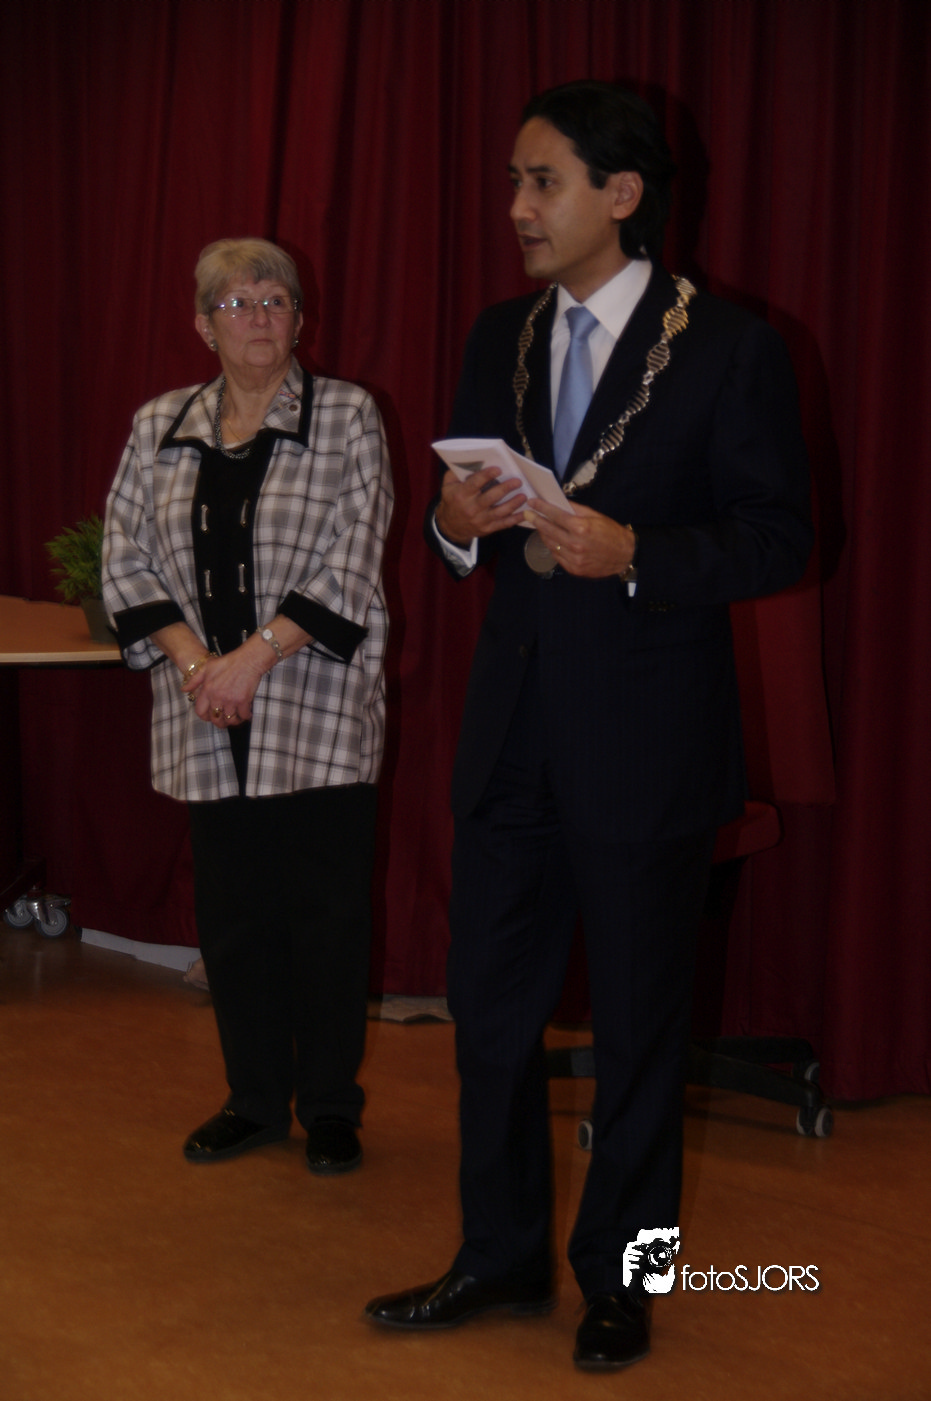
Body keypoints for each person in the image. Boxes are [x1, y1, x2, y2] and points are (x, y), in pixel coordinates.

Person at [365, 82, 812, 1369]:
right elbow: (454, 525)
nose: (516, 206)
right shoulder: (497, 333)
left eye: (541, 181)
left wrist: (638, 554)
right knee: (490, 1017)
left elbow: (781, 539)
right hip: (511, 732)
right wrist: (453, 527)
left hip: (648, 739)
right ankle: (496, 1255)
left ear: (622, 194)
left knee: (641, 1032)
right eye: (514, 181)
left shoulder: (729, 346)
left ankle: (629, 1281)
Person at [103, 237, 392, 1176]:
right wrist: (201, 666)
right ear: (203, 325)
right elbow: (124, 556)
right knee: (234, 920)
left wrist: (254, 659)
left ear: (300, 319)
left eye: (276, 300)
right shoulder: (158, 424)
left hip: (313, 704)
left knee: (327, 918)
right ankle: (254, 1099)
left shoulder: (347, 414)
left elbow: (353, 558)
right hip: (205, 709)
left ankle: (332, 1105)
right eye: (237, 303)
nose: (259, 316)